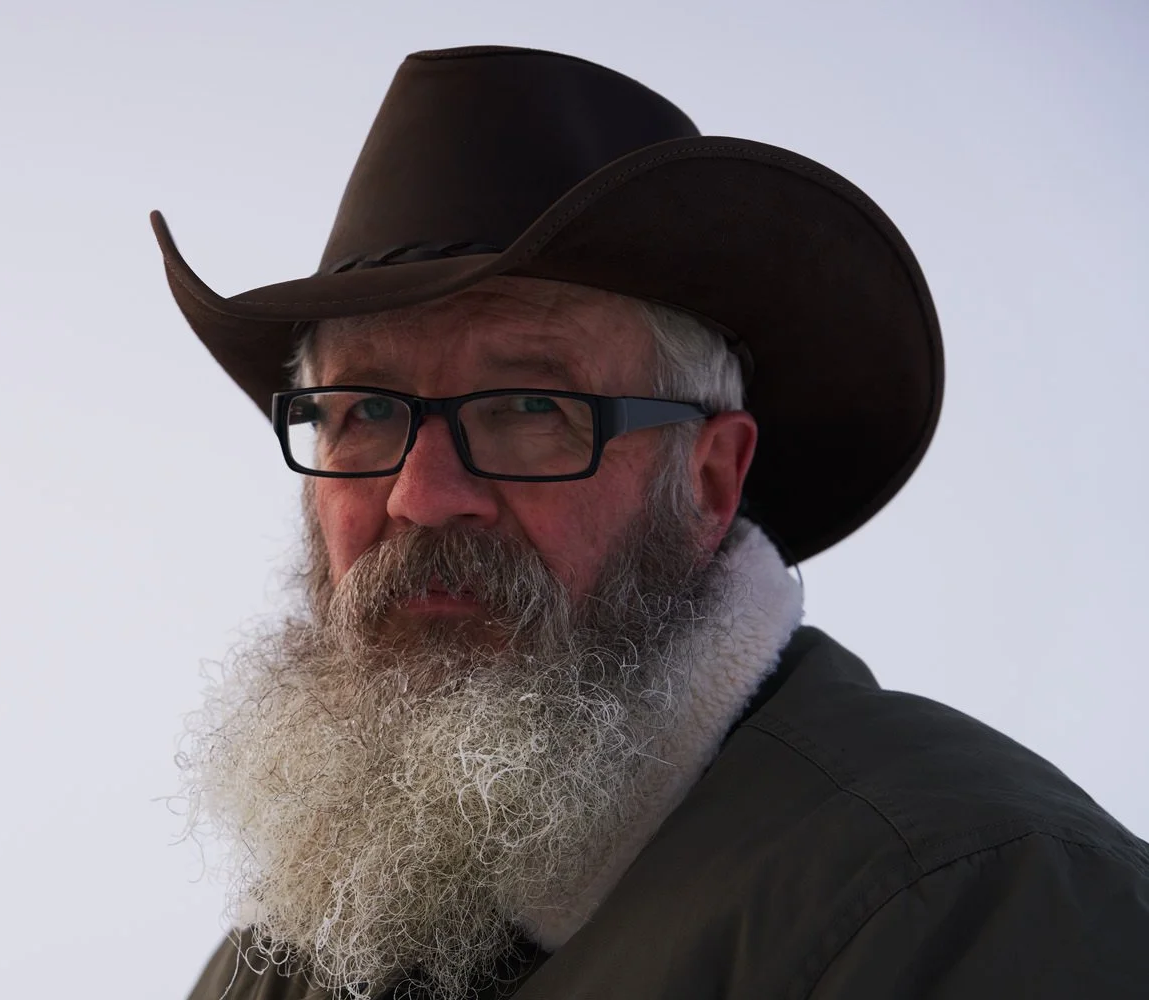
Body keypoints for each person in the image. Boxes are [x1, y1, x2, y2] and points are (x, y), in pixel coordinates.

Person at [152, 46, 1149, 999]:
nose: (423, 494)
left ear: (712, 478)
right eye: (367, 410)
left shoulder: (961, 898)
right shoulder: (305, 943)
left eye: (529, 406)